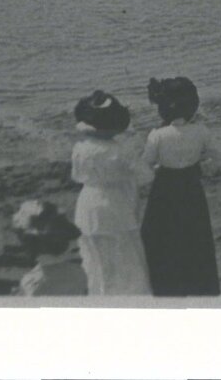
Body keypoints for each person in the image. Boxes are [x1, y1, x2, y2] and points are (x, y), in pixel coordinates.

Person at [141, 76, 221, 296]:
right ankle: (198, 286)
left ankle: (167, 287)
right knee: (195, 238)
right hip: (191, 187)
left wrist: (156, 172)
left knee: (162, 239)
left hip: (164, 189)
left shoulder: (157, 135)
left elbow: (144, 167)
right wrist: (202, 170)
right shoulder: (201, 131)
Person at [70, 91, 150, 296]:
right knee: (126, 259)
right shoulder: (120, 150)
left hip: (88, 202)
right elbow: (146, 176)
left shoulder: (80, 148)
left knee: (94, 259)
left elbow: (76, 176)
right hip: (115, 203)